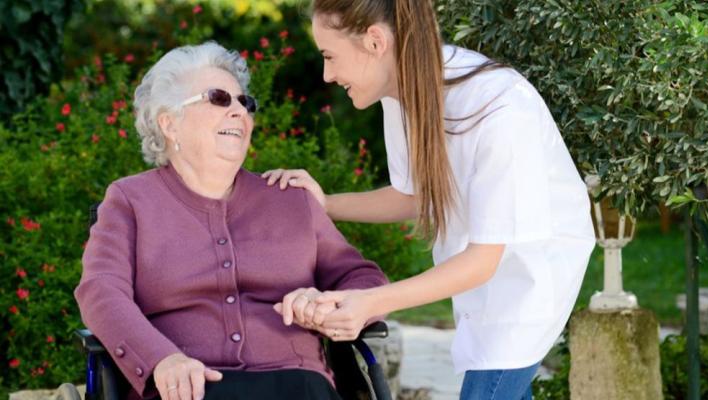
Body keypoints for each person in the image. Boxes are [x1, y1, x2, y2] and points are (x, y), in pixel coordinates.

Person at [263, 1, 596, 398]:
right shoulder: (399, 89)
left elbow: (482, 261)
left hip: (532, 272)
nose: (328, 74)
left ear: (375, 41)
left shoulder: (501, 109)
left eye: (330, 56)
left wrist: (369, 301)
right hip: (481, 273)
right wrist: (324, 203)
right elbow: (415, 196)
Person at [74, 41, 388, 400]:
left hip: (295, 384)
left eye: (245, 102)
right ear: (169, 123)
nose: (240, 111)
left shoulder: (290, 199)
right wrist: (162, 360)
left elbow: (362, 277)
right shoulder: (130, 201)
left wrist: (332, 304)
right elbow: (101, 290)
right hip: (188, 388)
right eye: (219, 98)